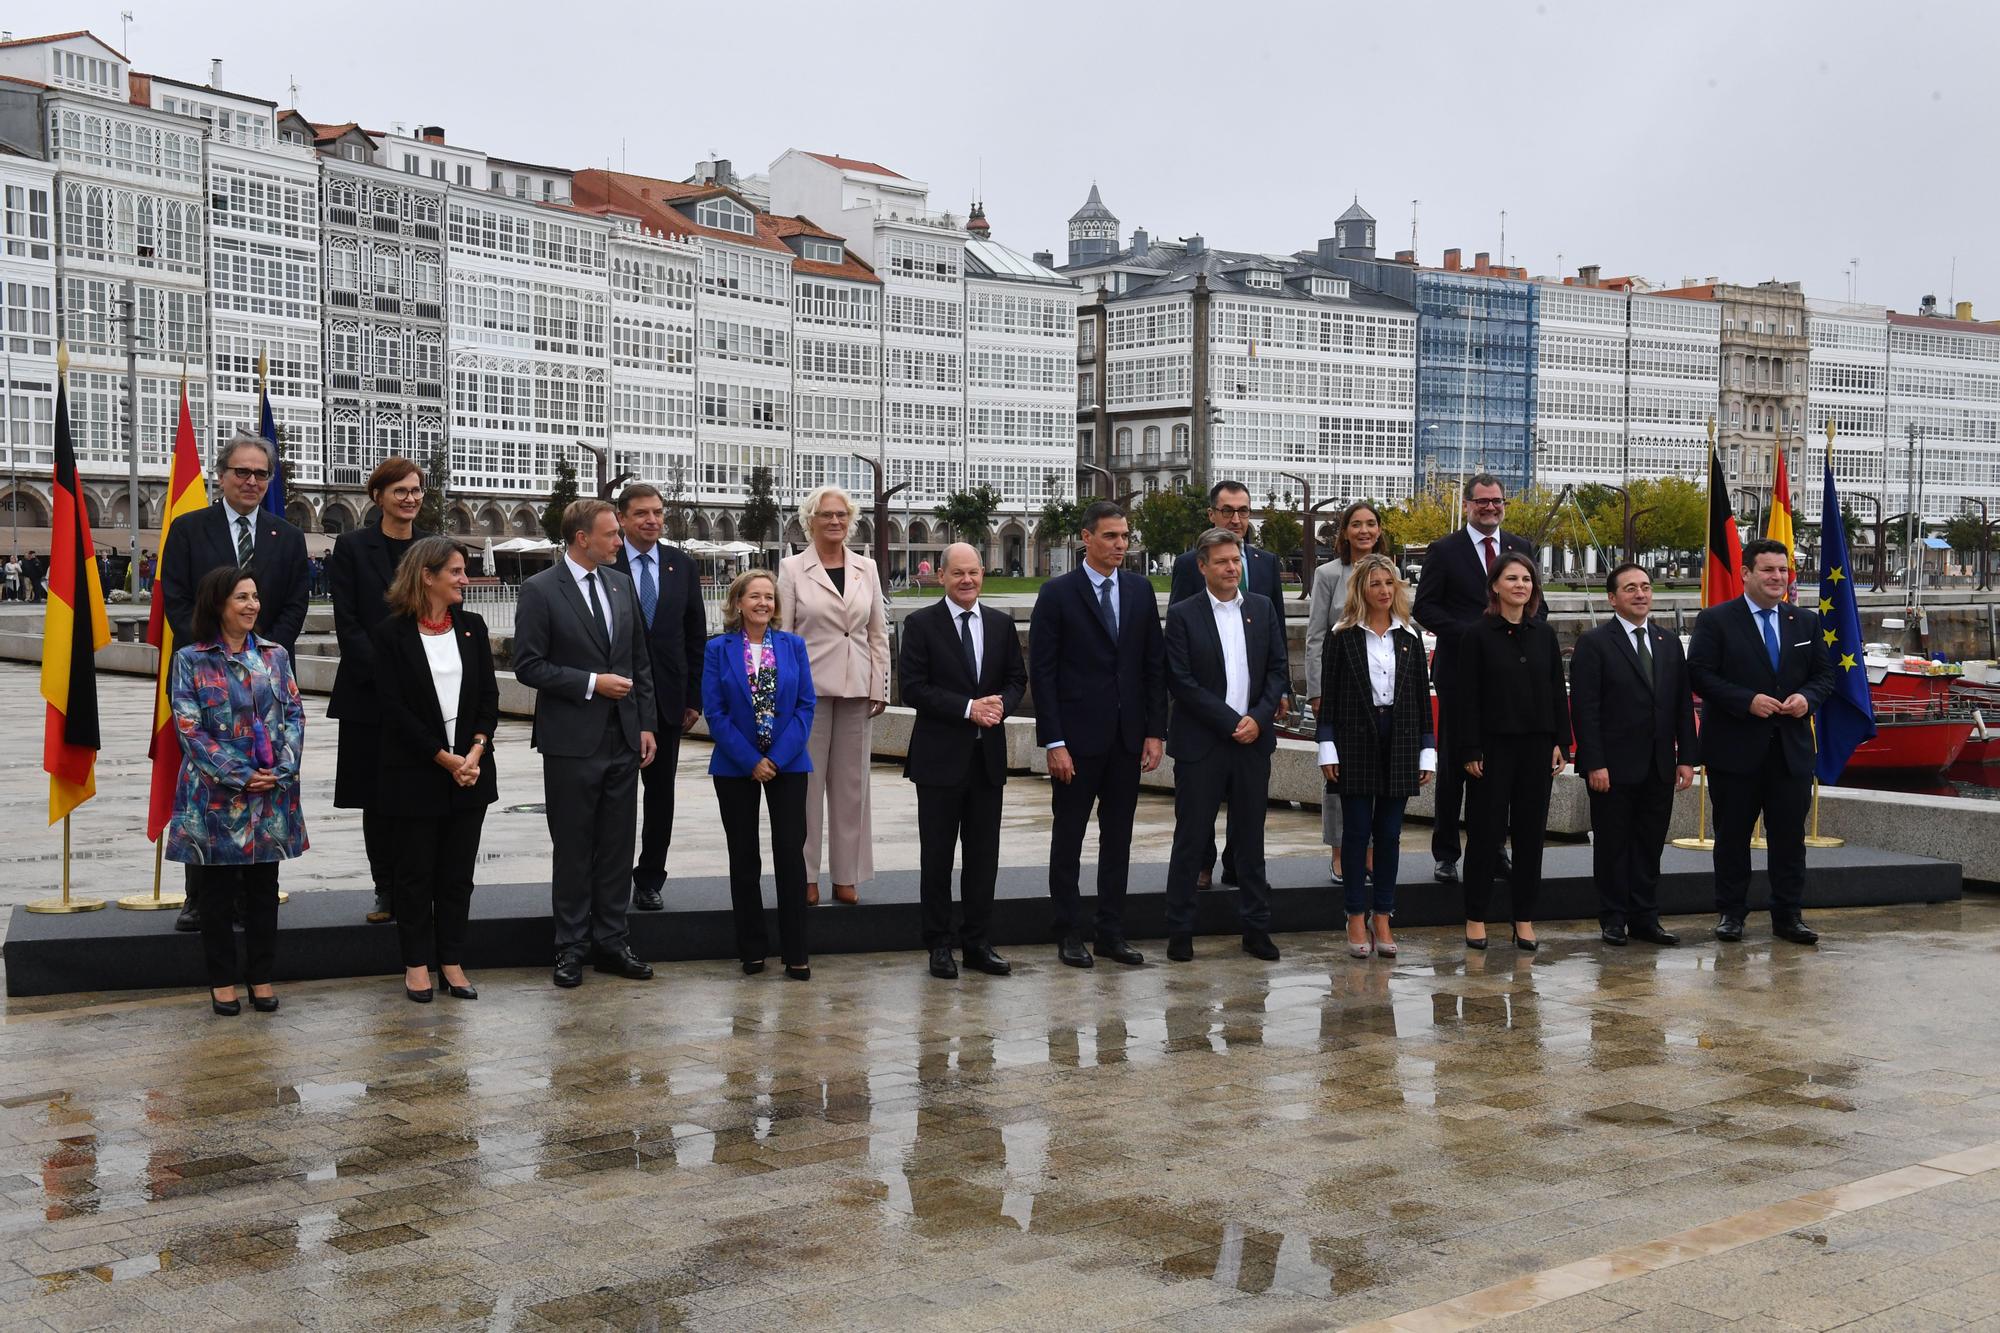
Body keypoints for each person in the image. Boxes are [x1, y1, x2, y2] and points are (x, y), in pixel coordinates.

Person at [158, 431, 311, 934]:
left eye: (260, 473)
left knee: (260, 791)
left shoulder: (285, 536)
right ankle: (199, 897)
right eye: (241, 472)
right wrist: (218, 650)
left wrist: (264, 656)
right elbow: (177, 600)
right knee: (209, 793)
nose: (250, 481)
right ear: (220, 476)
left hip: (266, 685)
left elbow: (293, 604)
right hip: (206, 681)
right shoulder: (187, 529)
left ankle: (253, 895)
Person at [512, 498, 657, 989]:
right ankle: (570, 947)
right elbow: (527, 666)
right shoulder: (539, 590)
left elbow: (639, 661)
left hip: (623, 737)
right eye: (612, 534)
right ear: (581, 539)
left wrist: (645, 724)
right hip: (571, 742)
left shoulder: (620, 584)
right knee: (574, 847)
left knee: (618, 845)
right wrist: (592, 682)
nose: (621, 541)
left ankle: (613, 942)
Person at [1029, 501, 1167, 968]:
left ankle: (1111, 931)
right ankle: (1068, 931)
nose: (1120, 545)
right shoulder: (1057, 593)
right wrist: (1054, 741)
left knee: (1119, 838)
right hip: (1075, 742)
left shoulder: (1140, 590)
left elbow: (1153, 666)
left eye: (1125, 537)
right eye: (1110, 536)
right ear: (1085, 538)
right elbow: (1042, 673)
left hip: (1127, 740)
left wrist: (1154, 732)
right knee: (1068, 838)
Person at [164, 566, 307, 1016]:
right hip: (215, 798)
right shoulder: (190, 658)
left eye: (255, 597)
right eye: (242, 597)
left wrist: (282, 768)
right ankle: (222, 981)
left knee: (265, 891)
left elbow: (294, 716)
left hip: (271, 795)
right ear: (219, 604)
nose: (252, 606)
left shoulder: (275, 655)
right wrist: (239, 774)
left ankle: (261, 977)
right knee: (217, 895)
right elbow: (188, 727)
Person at [1688, 538, 1837, 946]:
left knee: (1789, 838)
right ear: (1746, 573)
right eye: (1769, 570)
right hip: (1735, 751)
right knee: (1732, 837)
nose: (1778, 578)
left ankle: (1788, 915)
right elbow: (1699, 673)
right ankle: (1731, 914)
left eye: (1783, 570)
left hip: (1790, 752)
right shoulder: (1716, 620)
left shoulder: (1804, 622)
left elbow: (1825, 676)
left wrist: (1807, 699)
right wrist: (1745, 701)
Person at [370, 537, 498, 1003]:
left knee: (457, 875)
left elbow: (488, 697)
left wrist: (475, 752)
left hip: (471, 773)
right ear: (428, 576)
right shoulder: (391, 634)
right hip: (414, 773)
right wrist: (442, 757)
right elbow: (393, 708)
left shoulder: (473, 627)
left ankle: (452, 961)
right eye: (457, 572)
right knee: (414, 875)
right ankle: (417, 964)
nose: (465, 579)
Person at [1161, 527, 1290, 963]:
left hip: (1252, 744)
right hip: (1203, 745)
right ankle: (1180, 931)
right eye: (1221, 562)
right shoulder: (1182, 615)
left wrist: (1258, 717)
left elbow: (1277, 671)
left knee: (1249, 841)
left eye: (1235, 560)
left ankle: (1256, 928)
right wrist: (1230, 721)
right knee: (1191, 839)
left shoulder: (1262, 607)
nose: (1231, 568)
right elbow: (1180, 681)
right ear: (1202, 567)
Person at [898, 542, 1027, 980]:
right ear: (941, 576)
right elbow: (912, 688)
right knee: (937, 857)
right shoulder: (919, 624)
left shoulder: (998, 623)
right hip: (939, 760)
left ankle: (977, 942)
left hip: (987, 759)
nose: (967, 580)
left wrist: (999, 707)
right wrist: (967, 708)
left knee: (983, 857)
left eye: (974, 572)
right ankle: (938, 944)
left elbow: (1016, 678)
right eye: (958, 574)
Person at [1414, 473, 1542, 885]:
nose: (1490, 507)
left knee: (1502, 768)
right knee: (1455, 766)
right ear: (1467, 504)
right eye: (1482, 501)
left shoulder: (1520, 548)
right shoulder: (1444, 550)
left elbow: (1534, 603)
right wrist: (1471, 636)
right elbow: (1425, 607)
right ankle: (1447, 852)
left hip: (1511, 681)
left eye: (1497, 501)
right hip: (1459, 674)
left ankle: (1494, 848)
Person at [1570, 563, 1699, 947]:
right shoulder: (1594, 643)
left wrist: (1687, 757)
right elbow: (1585, 709)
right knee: (1612, 846)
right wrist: (1594, 762)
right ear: (1613, 598)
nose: (1640, 594)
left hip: (1659, 766)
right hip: (1612, 767)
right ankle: (1613, 918)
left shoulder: (1668, 642)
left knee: (1649, 845)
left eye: (1645, 587)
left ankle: (1646, 918)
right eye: (1630, 588)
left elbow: (1680, 705)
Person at [1316, 553, 1435, 959]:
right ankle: (1353, 914)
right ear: (1361, 590)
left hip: (1399, 741)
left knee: (1389, 835)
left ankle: (1382, 914)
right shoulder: (1342, 635)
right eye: (1375, 584)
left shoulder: (1411, 636)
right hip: (1353, 742)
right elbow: (1328, 700)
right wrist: (1326, 747)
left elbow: (1421, 699)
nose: (1384, 591)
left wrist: (1426, 751)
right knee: (1355, 834)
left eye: (1390, 584)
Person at [327, 457, 429, 925]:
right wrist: (392, 678)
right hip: (368, 693)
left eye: (415, 490)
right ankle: (384, 887)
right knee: (376, 794)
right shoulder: (350, 547)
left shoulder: (429, 550)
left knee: (415, 793)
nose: (409, 498)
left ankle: (415, 883)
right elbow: (348, 623)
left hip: (424, 696)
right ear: (378, 496)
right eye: (400, 491)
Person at [777, 485, 889, 906]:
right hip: (809, 693)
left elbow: (877, 632)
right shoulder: (791, 569)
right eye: (826, 515)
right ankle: (806, 874)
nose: (835, 521)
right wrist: (786, 694)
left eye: (842, 514)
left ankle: (847, 874)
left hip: (858, 688)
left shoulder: (868, 568)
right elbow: (784, 635)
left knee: (852, 787)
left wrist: (880, 685)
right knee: (806, 785)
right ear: (810, 520)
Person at [1452, 552, 1569, 952]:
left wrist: (1561, 742)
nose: (1521, 585)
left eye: (1527, 579)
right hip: (1491, 750)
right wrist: (1469, 748)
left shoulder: (1544, 634)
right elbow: (1464, 699)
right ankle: (1476, 916)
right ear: (1495, 586)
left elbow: (1557, 692)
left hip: (1536, 748)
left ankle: (1523, 919)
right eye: (1512, 578)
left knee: (1530, 836)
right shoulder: (1477, 634)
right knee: (1485, 836)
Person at [703, 569, 815, 980]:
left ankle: (796, 952)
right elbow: (715, 713)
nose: (763, 603)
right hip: (736, 766)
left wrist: (778, 759)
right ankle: (752, 950)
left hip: (788, 765)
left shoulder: (793, 646)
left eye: (769, 597)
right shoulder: (718, 650)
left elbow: (805, 707)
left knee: (790, 855)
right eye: (755, 597)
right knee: (744, 857)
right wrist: (751, 760)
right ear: (738, 603)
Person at [611, 483, 706, 913]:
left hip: (668, 700)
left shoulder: (680, 565)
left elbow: (693, 635)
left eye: (658, 513)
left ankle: (650, 878)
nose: (652, 520)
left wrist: (693, 697)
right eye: (642, 513)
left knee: (660, 796)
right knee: (614, 796)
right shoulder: (604, 560)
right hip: (614, 698)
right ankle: (608, 879)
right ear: (623, 519)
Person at [1305, 500, 1391, 887]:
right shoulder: (1327, 574)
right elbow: (1316, 637)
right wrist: (1318, 692)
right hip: (1340, 693)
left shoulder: (1390, 573)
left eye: (1370, 524)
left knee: (1378, 774)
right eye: (1355, 524)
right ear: (1344, 532)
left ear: (1379, 531)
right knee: (1339, 775)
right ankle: (1339, 853)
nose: (1364, 531)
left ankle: (1370, 854)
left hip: (1380, 693)